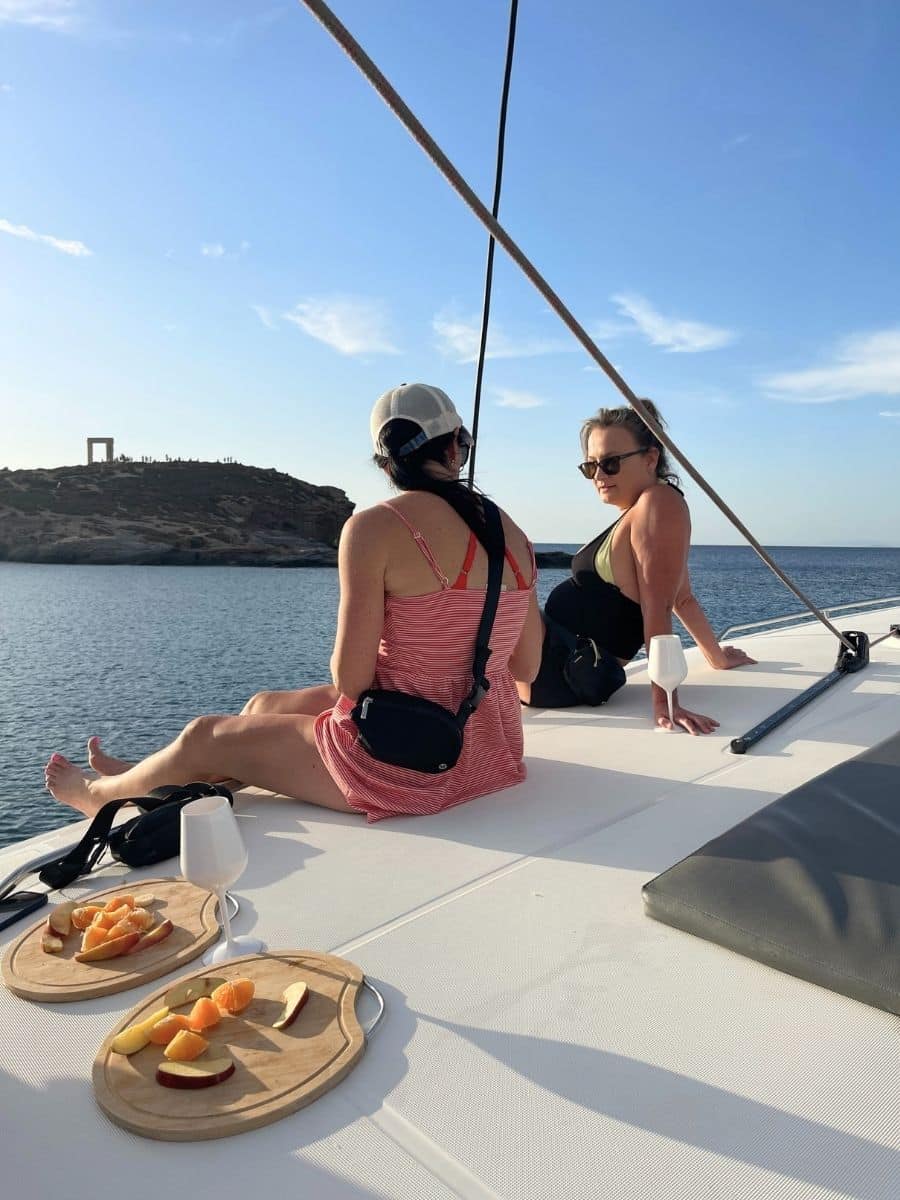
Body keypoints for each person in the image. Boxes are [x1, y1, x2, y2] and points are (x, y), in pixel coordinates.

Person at [45, 383, 543, 821]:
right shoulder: (514, 535)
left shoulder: (375, 528)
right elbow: (526, 668)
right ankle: (155, 775)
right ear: (456, 447)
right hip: (492, 752)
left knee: (203, 734)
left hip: (409, 766)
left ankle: (98, 796)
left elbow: (352, 681)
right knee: (263, 706)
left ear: (385, 463)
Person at [516, 400, 755, 734]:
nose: (599, 476)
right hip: (555, 665)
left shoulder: (659, 503)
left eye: (610, 463)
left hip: (561, 672)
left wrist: (665, 701)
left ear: (650, 458)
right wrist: (717, 657)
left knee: (506, 551)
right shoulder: (643, 511)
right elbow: (682, 597)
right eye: (591, 466)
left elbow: (659, 607)